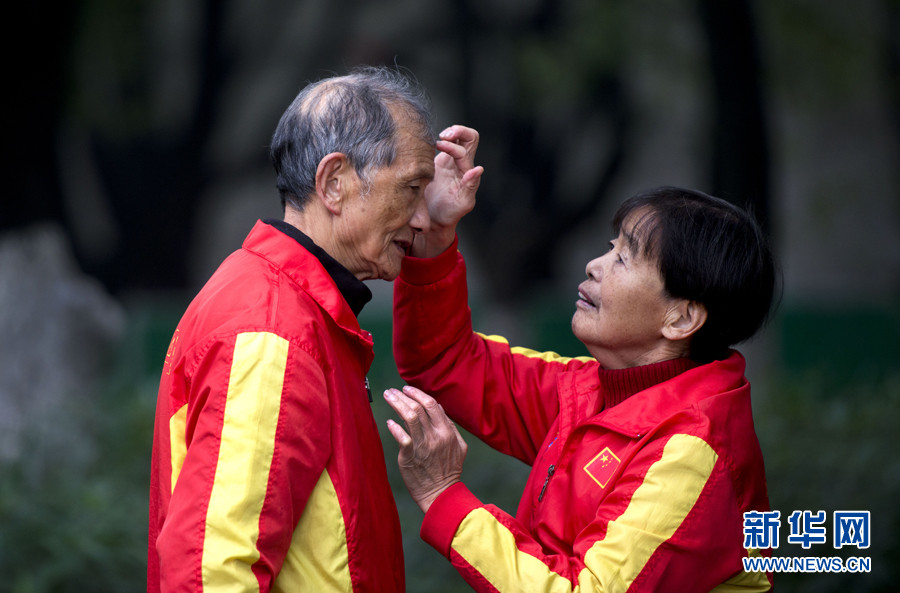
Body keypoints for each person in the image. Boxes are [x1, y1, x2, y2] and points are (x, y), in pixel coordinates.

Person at [147, 66, 483, 592]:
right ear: (334, 183)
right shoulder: (273, 331)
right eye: (412, 188)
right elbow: (212, 573)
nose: (421, 217)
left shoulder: (283, 305)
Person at [384, 185, 778, 592]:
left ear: (681, 319)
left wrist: (443, 495)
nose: (594, 265)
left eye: (623, 259)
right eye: (611, 248)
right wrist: (434, 235)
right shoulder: (589, 386)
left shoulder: (691, 451)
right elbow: (446, 361)